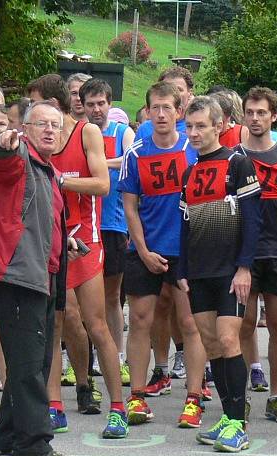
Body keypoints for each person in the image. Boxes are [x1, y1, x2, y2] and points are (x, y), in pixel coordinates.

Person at [0, 100, 75, 456]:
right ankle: (33, 447)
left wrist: (66, 242)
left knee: (29, 362)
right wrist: (2, 143)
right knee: (31, 365)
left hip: (38, 277)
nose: (49, 130)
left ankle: (5, 442)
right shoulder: (20, 160)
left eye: (55, 125)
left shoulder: (48, 170)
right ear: (25, 129)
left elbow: (38, 220)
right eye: (41, 123)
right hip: (15, 276)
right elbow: (0, 157)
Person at [27, 73, 127, 439]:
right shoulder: (35, 142)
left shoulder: (86, 132)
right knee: (53, 328)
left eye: (41, 108)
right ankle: (54, 406)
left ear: (56, 105)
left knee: (96, 325)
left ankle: (118, 408)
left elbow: (102, 184)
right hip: (50, 243)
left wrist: (60, 180)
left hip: (84, 239)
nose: (38, 119)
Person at [118, 81, 206, 428]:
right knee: (141, 320)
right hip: (146, 250)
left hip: (187, 251)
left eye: (166, 107)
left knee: (190, 323)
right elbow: (129, 209)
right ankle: (137, 396)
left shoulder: (194, 150)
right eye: (154, 108)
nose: (160, 114)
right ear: (147, 112)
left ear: (178, 111)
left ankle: (194, 398)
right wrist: (142, 250)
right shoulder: (136, 154)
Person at [178, 95, 262, 452]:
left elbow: (253, 220)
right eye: (190, 127)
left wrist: (245, 267)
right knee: (211, 343)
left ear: (219, 126)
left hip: (230, 271)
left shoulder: (238, 164)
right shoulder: (190, 171)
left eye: (201, 126)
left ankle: (237, 423)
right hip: (198, 272)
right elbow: (184, 224)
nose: (194, 133)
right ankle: (226, 417)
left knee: (229, 341)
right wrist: (181, 270)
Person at [235, 86, 277, 424]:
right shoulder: (232, 156)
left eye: (262, 112)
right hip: (243, 252)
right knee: (244, 323)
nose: (256, 118)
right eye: (250, 112)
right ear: (243, 115)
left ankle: (276, 396)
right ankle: (242, 395)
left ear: (274, 115)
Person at [80, 78, 135, 389]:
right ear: (83, 106)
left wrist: (97, 163)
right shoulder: (78, 134)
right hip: (85, 226)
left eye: (101, 103)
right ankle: (83, 362)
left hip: (113, 224)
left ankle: (119, 357)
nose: (97, 109)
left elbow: (130, 162)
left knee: (112, 297)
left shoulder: (121, 132)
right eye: (91, 104)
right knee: (81, 301)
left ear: (109, 104)